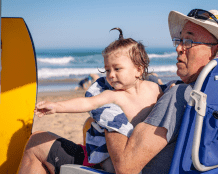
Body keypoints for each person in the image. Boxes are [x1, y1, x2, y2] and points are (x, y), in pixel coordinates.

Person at [18, 9, 218, 174]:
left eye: (189, 41)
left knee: (37, 140)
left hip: (123, 167)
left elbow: (125, 168)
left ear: (215, 50)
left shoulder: (178, 96)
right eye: (179, 39)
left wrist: (108, 115)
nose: (178, 47)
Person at [18, 28, 163, 174]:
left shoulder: (155, 90)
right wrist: (57, 106)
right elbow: (86, 103)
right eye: (107, 70)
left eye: (117, 69)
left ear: (138, 70)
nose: (111, 75)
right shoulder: (113, 95)